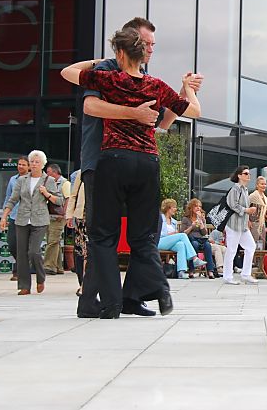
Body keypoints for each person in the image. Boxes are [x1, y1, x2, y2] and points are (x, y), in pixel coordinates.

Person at [61, 24, 200, 318]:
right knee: (126, 235)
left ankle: (123, 299)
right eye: (146, 43)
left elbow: (163, 122)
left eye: (152, 44)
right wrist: (139, 110)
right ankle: (112, 298)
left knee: (109, 236)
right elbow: (91, 107)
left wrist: (182, 91)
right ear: (130, 47)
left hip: (119, 160)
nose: (150, 49)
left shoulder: (120, 79)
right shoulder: (112, 72)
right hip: (106, 162)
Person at [0, 150, 62, 295]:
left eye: (37, 162)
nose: (34, 164)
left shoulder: (49, 181)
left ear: (42, 165)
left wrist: (47, 193)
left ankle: (41, 278)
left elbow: (59, 200)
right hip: (21, 219)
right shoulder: (22, 180)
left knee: (34, 251)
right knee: (21, 254)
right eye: (32, 161)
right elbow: (13, 199)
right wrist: (4, 216)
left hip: (40, 220)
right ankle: (24, 285)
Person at [222, 166, 258, 285]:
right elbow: (232, 204)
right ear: (239, 175)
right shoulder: (235, 189)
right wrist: (247, 210)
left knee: (251, 246)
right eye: (246, 173)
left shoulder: (245, 189)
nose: (248, 176)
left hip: (242, 226)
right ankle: (227, 276)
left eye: (249, 174)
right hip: (233, 224)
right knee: (231, 250)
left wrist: (247, 217)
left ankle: (245, 274)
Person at [160, 199, 204, 280]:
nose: (175, 209)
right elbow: (158, 234)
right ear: (168, 208)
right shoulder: (160, 219)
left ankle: (181, 272)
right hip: (160, 241)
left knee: (181, 245)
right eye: (174, 207)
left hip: (169, 243)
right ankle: (194, 258)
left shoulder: (174, 221)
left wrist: (175, 234)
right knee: (182, 235)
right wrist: (173, 234)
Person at [2, 157, 29, 281]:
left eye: (23, 164)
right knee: (12, 243)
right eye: (19, 164)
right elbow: (9, 197)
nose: (21, 166)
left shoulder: (32, 179)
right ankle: (22, 266)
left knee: (23, 245)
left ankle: (18, 271)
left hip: (27, 216)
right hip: (13, 215)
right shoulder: (13, 179)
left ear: (28, 166)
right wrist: (5, 214)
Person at [44, 163, 71, 275]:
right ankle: (58, 266)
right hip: (50, 216)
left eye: (48, 172)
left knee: (52, 241)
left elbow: (68, 199)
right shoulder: (50, 183)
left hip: (59, 217)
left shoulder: (65, 183)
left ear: (55, 172)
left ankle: (48, 266)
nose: (47, 175)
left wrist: (64, 214)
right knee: (54, 242)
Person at [180, 198, 216, 278]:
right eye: (196, 206)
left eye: (199, 206)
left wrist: (202, 223)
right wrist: (191, 226)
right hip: (191, 240)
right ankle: (191, 271)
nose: (198, 208)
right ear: (191, 208)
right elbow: (182, 233)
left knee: (207, 245)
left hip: (201, 240)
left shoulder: (201, 219)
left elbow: (204, 233)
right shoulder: (186, 219)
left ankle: (210, 271)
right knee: (194, 244)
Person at [64, 171, 87, 295]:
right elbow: (73, 195)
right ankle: (82, 282)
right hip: (81, 216)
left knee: (89, 252)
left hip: (98, 217)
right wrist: (69, 215)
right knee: (80, 252)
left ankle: (86, 284)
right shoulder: (80, 173)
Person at [248, 176, 267, 250]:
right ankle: (252, 261)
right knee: (253, 245)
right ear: (257, 185)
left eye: (265, 184)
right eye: (262, 184)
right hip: (253, 223)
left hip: (262, 224)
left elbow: (265, 212)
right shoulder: (252, 196)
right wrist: (248, 221)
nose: (264, 186)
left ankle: (260, 262)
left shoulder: (265, 197)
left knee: (261, 245)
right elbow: (245, 208)